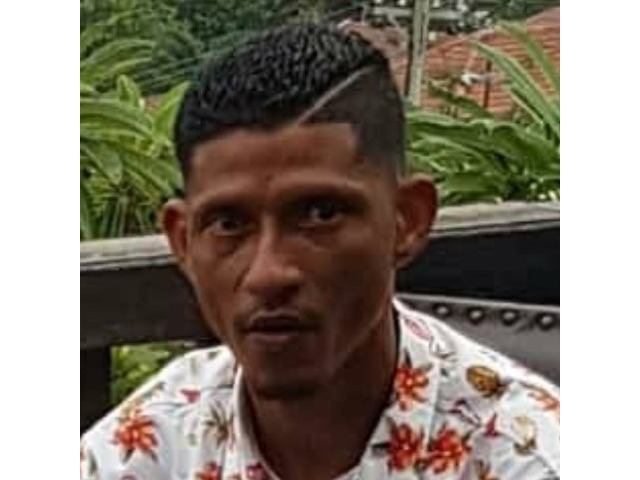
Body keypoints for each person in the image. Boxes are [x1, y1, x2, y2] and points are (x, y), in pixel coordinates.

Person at [80, 24, 559, 480]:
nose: (268, 273)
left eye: (320, 213)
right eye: (228, 224)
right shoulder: (142, 451)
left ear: (406, 219)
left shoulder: (526, 456)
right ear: (183, 242)